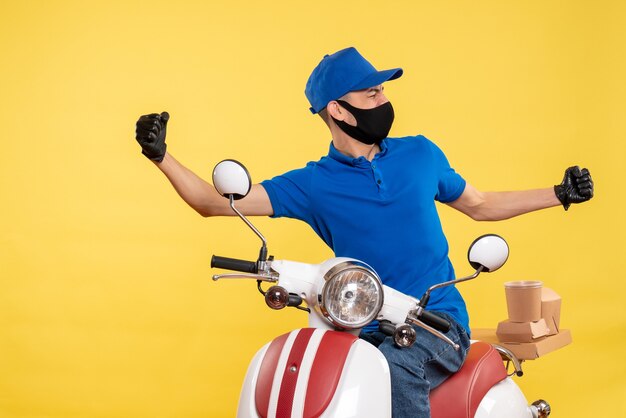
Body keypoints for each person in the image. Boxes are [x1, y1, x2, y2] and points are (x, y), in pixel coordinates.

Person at [134, 47, 594, 417]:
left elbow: (480, 204)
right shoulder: (315, 184)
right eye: (371, 93)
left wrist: (559, 193)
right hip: (359, 327)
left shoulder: (420, 154)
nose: (384, 101)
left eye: (381, 92)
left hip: (434, 323)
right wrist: (162, 157)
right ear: (338, 109)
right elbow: (214, 202)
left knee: (396, 372)